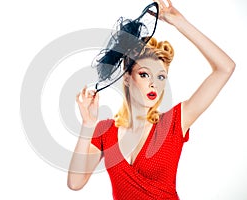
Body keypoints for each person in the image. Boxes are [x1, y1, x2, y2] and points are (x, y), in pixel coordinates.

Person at [67, 0, 235, 199]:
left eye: (161, 76)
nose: (154, 83)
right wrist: (87, 124)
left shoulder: (173, 123)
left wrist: (180, 22)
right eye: (145, 74)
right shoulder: (106, 131)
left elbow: (225, 67)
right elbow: (75, 183)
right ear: (128, 79)